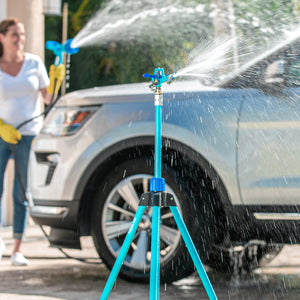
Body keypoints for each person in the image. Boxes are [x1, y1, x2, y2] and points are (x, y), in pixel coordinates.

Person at [0, 18, 65, 266]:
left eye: (22, 34)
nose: (20, 39)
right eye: (15, 34)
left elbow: (49, 99)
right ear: (2, 37)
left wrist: (56, 78)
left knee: (21, 192)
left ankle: (17, 248)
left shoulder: (34, 63)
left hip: (28, 135)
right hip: (1, 134)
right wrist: (1, 126)